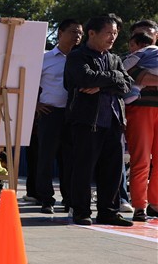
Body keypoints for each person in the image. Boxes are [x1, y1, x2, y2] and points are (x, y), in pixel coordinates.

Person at [64, 16, 133, 226]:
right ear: (92, 33)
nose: (112, 37)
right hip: (87, 121)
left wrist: (103, 84)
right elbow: (85, 79)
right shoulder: (77, 56)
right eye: (108, 33)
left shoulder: (114, 59)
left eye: (115, 34)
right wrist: (113, 78)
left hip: (113, 120)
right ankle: (81, 210)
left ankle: (108, 211)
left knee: (112, 169)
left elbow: (128, 84)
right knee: (84, 167)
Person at [33, 19, 83, 214]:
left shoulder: (82, 58)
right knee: (45, 158)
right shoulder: (44, 58)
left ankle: (69, 199)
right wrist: (35, 104)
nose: (77, 36)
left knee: (70, 159)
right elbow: (29, 83)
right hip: (50, 113)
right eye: (72, 31)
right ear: (60, 33)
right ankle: (46, 199)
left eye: (80, 32)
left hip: (75, 114)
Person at [124, 22, 158, 222]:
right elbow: (139, 77)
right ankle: (139, 205)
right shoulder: (128, 58)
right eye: (139, 35)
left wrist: (147, 79)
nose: (145, 38)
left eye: (149, 34)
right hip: (139, 110)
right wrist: (147, 79)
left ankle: (155, 203)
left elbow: (146, 78)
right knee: (141, 159)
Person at [123, 32, 158, 104]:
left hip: (151, 68)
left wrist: (120, 71)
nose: (130, 49)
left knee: (139, 80)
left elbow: (128, 64)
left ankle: (133, 93)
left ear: (142, 45)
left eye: (132, 45)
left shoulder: (141, 51)